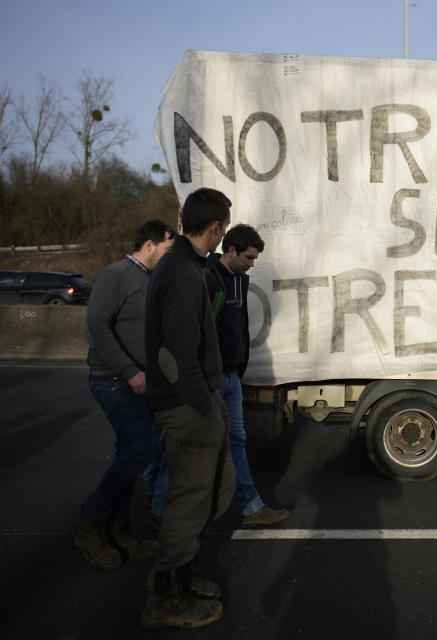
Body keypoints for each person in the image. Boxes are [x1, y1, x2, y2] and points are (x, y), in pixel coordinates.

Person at [140, 188, 236, 629]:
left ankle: (182, 575)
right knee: (188, 499)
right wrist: (206, 406)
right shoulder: (181, 273)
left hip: (193, 400)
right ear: (215, 228)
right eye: (224, 228)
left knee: (212, 490)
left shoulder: (183, 265)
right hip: (187, 405)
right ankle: (167, 598)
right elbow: (175, 358)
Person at [71, 219, 175, 571]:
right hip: (114, 380)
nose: (169, 254)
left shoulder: (150, 280)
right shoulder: (115, 275)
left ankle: (119, 529)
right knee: (140, 449)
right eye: (166, 247)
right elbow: (97, 327)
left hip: (140, 383)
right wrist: (130, 371)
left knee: (132, 451)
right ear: (148, 245)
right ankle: (90, 523)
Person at [205, 224, 289, 526]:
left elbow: (237, 328)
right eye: (249, 257)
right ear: (231, 250)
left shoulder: (240, 280)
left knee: (237, 440)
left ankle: (251, 506)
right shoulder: (208, 277)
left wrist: (238, 366)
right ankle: (161, 505)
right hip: (210, 380)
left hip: (231, 377)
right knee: (189, 443)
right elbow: (203, 332)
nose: (252, 264)